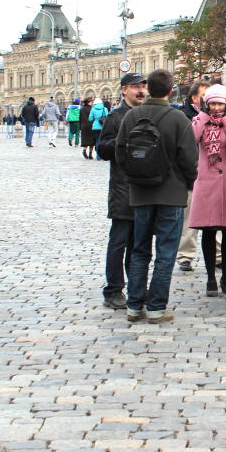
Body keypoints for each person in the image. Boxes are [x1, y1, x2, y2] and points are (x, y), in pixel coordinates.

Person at [116, 69, 198, 324]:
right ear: (171, 90)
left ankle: (134, 306)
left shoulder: (132, 116)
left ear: (147, 89)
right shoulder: (177, 118)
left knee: (139, 250)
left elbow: (120, 153)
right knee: (165, 252)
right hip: (171, 194)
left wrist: (134, 177)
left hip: (140, 193)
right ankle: (156, 308)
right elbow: (189, 159)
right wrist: (188, 182)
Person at [96, 73, 149, 310]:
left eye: (143, 87)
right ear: (124, 90)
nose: (141, 91)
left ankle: (137, 287)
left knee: (141, 243)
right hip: (122, 188)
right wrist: (126, 142)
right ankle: (114, 289)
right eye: (136, 87)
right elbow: (103, 149)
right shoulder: (115, 117)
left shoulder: (148, 114)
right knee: (119, 242)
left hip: (146, 188)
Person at [188, 84, 226, 297]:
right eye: (212, 103)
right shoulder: (199, 121)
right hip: (207, 183)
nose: (216, 107)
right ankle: (211, 278)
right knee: (208, 231)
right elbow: (191, 138)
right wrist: (203, 117)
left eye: (220, 103)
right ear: (206, 103)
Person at [176, 80, 209, 272]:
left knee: (218, 218)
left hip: (214, 173)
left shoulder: (220, 116)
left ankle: (220, 255)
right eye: (203, 96)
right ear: (194, 98)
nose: (207, 100)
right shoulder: (183, 116)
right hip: (192, 172)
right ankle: (185, 256)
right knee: (190, 217)